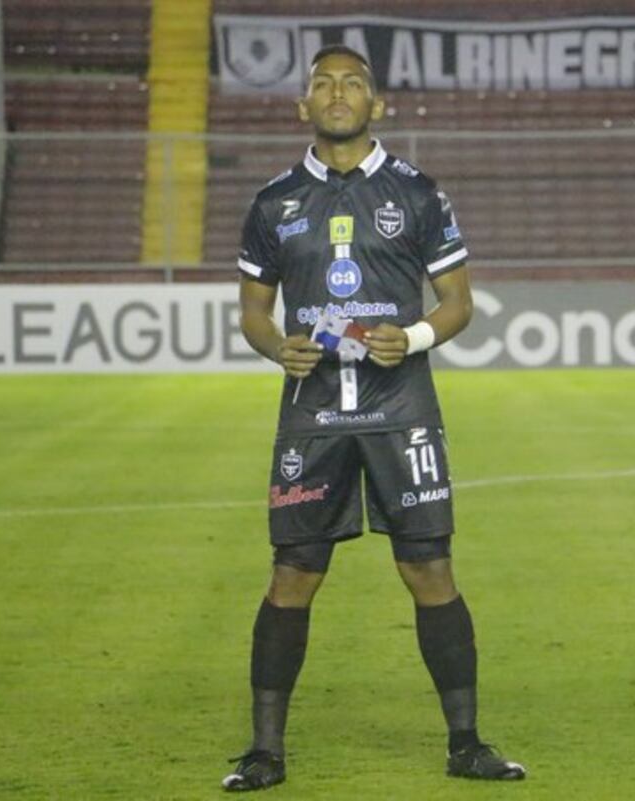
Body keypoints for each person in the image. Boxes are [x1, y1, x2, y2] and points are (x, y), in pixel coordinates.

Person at [223, 45, 525, 791]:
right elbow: (254, 315)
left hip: (402, 411)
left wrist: (414, 336)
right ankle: (265, 752)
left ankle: (467, 742)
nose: (337, 93)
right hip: (312, 412)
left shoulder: (419, 192)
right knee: (293, 571)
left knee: (429, 568)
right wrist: (280, 349)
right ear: (303, 106)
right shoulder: (273, 201)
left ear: (377, 103)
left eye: (352, 82)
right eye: (322, 83)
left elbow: (457, 301)